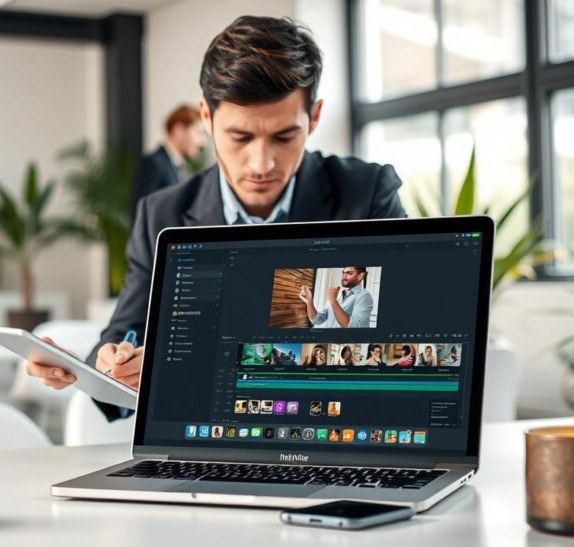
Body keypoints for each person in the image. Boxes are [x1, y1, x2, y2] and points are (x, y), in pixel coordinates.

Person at [24, 16, 406, 421]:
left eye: (283, 136)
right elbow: (124, 333)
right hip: (209, 438)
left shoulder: (367, 195)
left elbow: (405, 334)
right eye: (241, 137)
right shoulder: (162, 215)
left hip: (335, 428)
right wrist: (105, 369)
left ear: (314, 118)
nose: (262, 163)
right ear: (206, 117)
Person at [130, 105, 206, 214]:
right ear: (179, 131)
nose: (202, 143)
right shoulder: (153, 163)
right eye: (199, 133)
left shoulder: (177, 167)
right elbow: (142, 211)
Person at [299, 266, 373, 328]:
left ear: (360, 276)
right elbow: (317, 320)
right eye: (343, 273)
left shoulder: (364, 296)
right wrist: (309, 302)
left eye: (349, 273)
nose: (344, 276)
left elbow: (356, 327)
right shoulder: (337, 294)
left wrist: (333, 301)